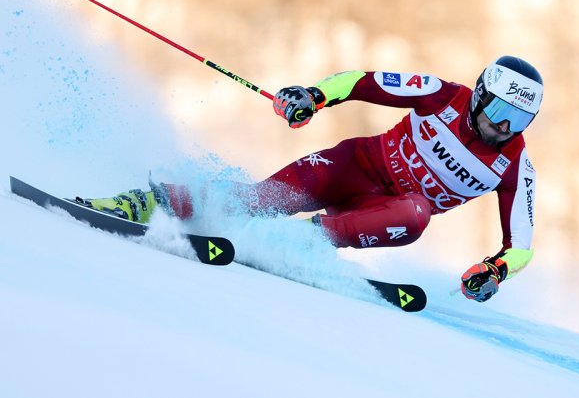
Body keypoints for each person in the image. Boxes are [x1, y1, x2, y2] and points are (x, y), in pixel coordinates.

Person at [81, 55, 543, 302]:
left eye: (520, 120)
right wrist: (313, 96)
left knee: (417, 212)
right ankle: (150, 201)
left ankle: (300, 240)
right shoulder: (441, 95)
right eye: (501, 111)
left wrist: (495, 271)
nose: (505, 127)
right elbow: (362, 81)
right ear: (481, 95)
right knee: (261, 199)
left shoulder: (515, 164)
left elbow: (521, 245)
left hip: (383, 212)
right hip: (352, 167)